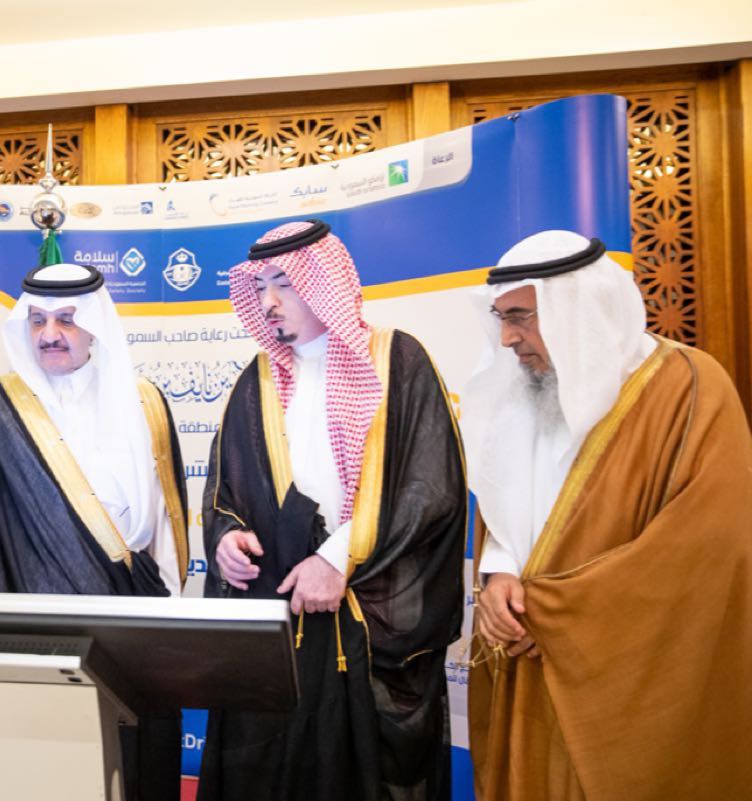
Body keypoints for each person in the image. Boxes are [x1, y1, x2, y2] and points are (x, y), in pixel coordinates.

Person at [463, 230, 752, 800]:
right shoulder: (526, 391)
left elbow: (709, 544)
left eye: (520, 317)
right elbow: (504, 505)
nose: (507, 338)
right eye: (501, 318)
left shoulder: (689, 386)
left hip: (626, 677)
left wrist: (557, 613)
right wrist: (498, 576)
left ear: (577, 307)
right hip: (525, 656)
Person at [198, 220, 466, 801]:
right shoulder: (257, 379)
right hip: (277, 615)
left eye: (285, 284)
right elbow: (225, 484)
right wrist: (224, 538)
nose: (268, 302)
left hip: (365, 611)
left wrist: (337, 557)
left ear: (325, 282)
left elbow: (429, 489)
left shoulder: (398, 360)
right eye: (260, 286)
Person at [0, 263, 188, 800]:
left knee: (134, 759)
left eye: (66, 321)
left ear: (95, 325)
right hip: (36, 617)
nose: (49, 334)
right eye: (37, 321)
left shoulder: (144, 400)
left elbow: (167, 518)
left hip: (133, 613)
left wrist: (169, 614)